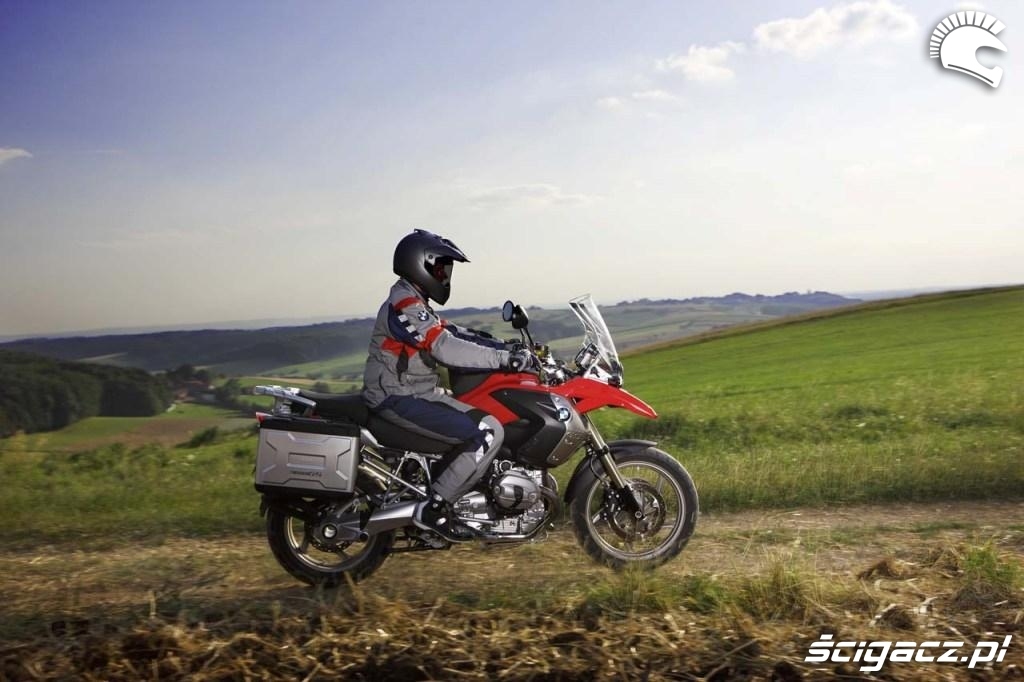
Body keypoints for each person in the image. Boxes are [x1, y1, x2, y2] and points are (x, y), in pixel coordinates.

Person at [362, 229, 533, 542]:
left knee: (477, 412)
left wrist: (505, 347)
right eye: (441, 268)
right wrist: (503, 360)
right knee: (487, 431)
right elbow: (444, 347)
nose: (444, 276)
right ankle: (434, 510)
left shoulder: (414, 301)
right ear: (421, 265)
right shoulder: (405, 304)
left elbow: (453, 333)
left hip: (414, 392)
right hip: (398, 396)